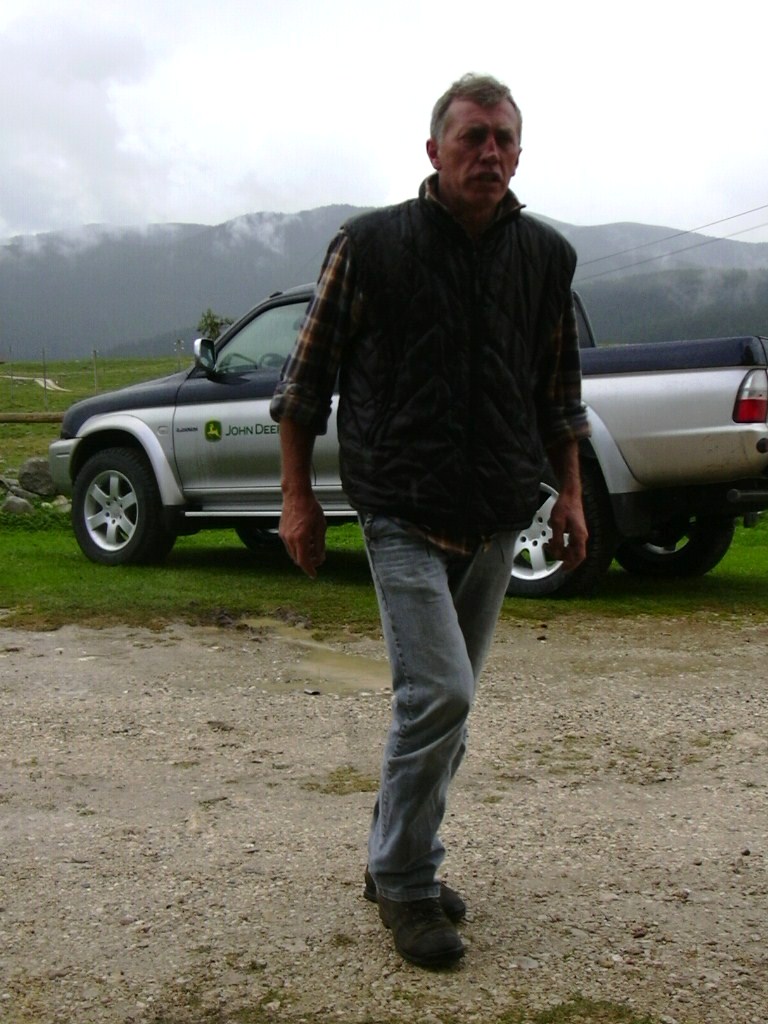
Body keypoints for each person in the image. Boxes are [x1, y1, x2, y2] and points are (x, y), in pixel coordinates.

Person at [269, 72, 591, 969]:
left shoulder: (546, 257)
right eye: (472, 136)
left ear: (519, 152)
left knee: (445, 705)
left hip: (496, 512)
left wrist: (569, 494)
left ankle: (394, 855)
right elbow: (304, 383)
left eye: (503, 138)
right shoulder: (370, 246)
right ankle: (408, 883)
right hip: (400, 506)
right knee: (440, 694)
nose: (489, 152)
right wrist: (298, 497)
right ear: (433, 150)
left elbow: (559, 395)